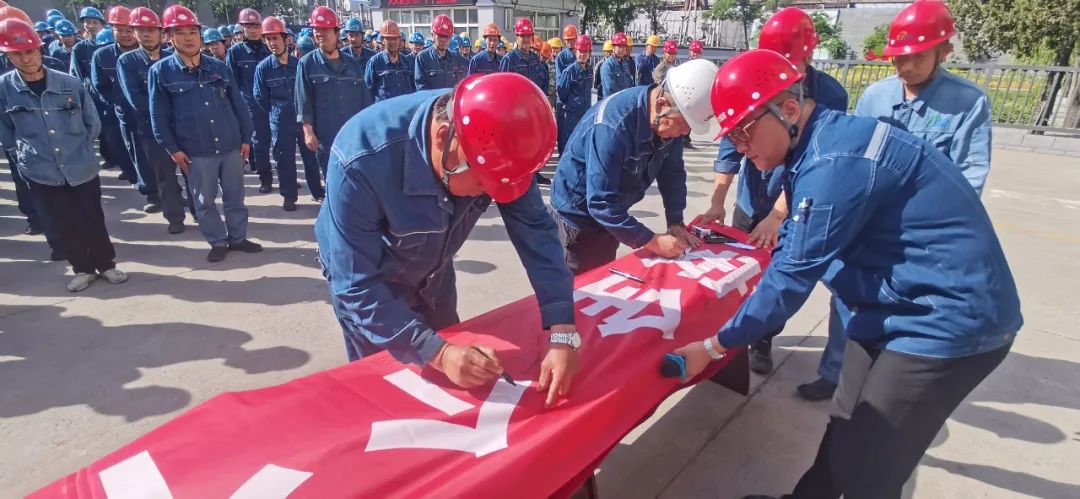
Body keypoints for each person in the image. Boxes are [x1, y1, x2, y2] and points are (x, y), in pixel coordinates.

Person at [671, 48, 1022, 499]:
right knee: (844, 422)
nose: (739, 148)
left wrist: (712, 346)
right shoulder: (819, 143)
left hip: (943, 320)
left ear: (790, 109)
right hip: (886, 304)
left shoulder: (835, 164)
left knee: (870, 470)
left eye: (742, 133)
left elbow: (790, 278)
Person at [315, 72, 581, 405]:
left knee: (458, 385)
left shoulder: (497, 136)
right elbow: (355, 284)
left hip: (435, 272)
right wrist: (438, 354)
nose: (490, 195)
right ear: (444, 138)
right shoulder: (361, 159)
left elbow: (536, 231)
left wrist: (562, 330)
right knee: (388, 397)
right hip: (374, 290)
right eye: (485, 186)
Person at [698, 6, 849, 388]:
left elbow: (816, 164)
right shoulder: (755, 75)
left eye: (789, 62)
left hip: (798, 205)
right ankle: (727, 337)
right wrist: (719, 198)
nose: (779, 69)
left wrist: (779, 215)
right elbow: (734, 142)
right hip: (752, 198)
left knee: (777, 273)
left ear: (809, 56)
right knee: (735, 272)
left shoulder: (829, 95)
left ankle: (761, 339)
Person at [550, 59, 719, 274]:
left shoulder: (668, 122)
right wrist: (652, 240)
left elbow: (673, 174)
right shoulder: (613, 125)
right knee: (578, 290)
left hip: (612, 215)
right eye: (684, 124)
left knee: (602, 277)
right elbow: (600, 202)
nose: (684, 133)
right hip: (577, 218)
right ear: (661, 105)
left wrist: (675, 221)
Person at [0, 18, 127, 292]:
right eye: (16, 54)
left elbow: (92, 123)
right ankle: (82, 268)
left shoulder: (68, 84)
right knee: (62, 222)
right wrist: (25, 155)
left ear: (38, 50)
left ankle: (106, 264)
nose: (25, 59)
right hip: (40, 170)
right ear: (8, 56)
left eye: (29, 52)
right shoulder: (4, 90)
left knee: (92, 218)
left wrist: (76, 147)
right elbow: (6, 132)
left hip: (79, 165)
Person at [149, 5, 262, 262]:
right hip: (195, 151)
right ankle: (218, 241)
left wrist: (246, 138)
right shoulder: (161, 72)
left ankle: (238, 237)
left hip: (231, 145)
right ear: (169, 37)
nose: (188, 38)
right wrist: (172, 149)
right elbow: (159, 116)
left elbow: (238, 105)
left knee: (235, 197)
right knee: (205, 201)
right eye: (180, 32)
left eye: (192, 31)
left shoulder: (218, 68)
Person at [117, 6, 194, 235]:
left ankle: (198, 211)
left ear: (161, 32)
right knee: (165, 176)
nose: (147, 34)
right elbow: (136, 99)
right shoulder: (127, 62)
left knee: (192, 173)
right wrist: (164, 117)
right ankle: (175, 217)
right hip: (153, 130)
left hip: (183, 128)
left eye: (151, 29)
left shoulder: (175, 56)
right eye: (141, 30)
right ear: (134, 33)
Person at [296, 5, 372, 199]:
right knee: (332, 177)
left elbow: (364, 99)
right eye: (316, 30)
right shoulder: (307, 64)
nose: (320, 34)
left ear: (337, 32)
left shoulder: (351, 63)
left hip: (351, 132)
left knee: (356, 174)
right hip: (325, 134)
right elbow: (303, 99)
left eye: (325, 29)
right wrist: (308, 131)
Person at [92, 6, 162, 213]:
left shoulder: (154, 53)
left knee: (165, 158)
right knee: (140, 155)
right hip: (129, 117)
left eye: (129, 30)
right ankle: (152, 194)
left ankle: (172, 192)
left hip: (158, 116)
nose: (125, 34)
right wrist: (120, 104)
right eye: (120, 29)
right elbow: (99, 87)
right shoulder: (102, 56)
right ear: (112, 30)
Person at [252, 16, 310, 212]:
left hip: (301, 118)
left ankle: (318, 191)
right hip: (280, 119)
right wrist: (277, 111)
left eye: (275, 38)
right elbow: (259, 97)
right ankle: (289, 196)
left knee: (310, 157)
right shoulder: (263, 68)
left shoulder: (299, 64)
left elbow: (307, 91)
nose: (272, 43)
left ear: (286, 39)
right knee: (284, 160)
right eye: (268, 39)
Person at [225, 8, 273, 193]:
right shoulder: (235, 53)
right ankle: (265, 178)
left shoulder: (268, 48)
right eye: (248, 26)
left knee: (279, 143)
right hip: (251, 107)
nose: (252, 30)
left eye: (255, 26)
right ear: (242, 28)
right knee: (260, 144)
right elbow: (232, 84)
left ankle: (286, 177)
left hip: (272, 103)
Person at [555, 35, 593, 155]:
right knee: (567, 148)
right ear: (576, 52)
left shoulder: (590, 70)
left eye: (585, 52)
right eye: (580, 51)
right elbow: (561, 93)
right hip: (570, 117)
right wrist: (571, 106)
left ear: (589, 53)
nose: (582, 55)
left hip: (584, 114)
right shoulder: (569, 72)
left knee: (580, 147)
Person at [364, 19, 414, 103]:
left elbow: (413, 88)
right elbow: (368, 92)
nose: (393, 42)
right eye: (389, 39)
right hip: (384, 113)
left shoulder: (407, 62)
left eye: (395, 38)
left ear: (399, 39)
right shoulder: (374, 62)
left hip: (404, 110)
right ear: (383, 40)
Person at [414, 14, 465, 90]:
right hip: (432, 101)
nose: (443, 40)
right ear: (432, 35)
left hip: (451, 101)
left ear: (451, 37)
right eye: (440, 35)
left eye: (447, 36)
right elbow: (421, 87)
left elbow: (461, 82)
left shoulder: (456, 58)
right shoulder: (422, 58)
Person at [601, 32, 634, 98]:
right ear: (613, 47)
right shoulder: (607, 65)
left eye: (623, 46)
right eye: (619, 46)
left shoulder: (625, 63)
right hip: (612, 103)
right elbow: (610, 87)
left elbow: (630, 83)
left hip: (624, 102)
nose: (621, 49)